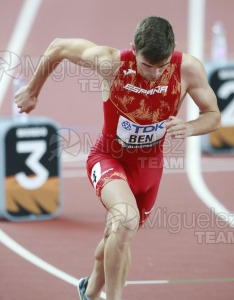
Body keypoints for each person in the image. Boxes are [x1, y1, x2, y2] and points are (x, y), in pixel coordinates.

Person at [15, 16, 220, 300]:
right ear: (133, 49)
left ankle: (90, 288)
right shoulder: (111, 62)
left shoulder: (188, 69)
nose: (153, 73)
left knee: (117, 235)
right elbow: (58, 47)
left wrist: (190, 127)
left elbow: (213, 115)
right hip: (108, 158)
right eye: (147, 65)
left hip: (149, 170)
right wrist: (32, 90)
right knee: (125, 222)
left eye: (161, 67)